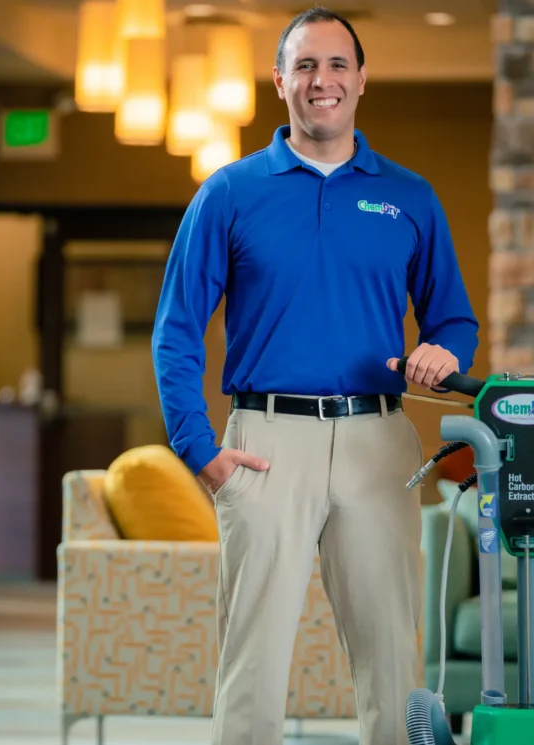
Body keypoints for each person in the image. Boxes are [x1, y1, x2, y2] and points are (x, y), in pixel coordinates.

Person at [152, 7, 479, 745]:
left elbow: (454, 320)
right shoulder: (230, 193)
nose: (321, 80)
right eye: (304, 66)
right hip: (264, 441)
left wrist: (446, 352)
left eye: (336, 65)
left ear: (362, 80)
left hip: (378, 442)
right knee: (253, 658)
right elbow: (176, 329)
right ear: (279, 82)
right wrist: (198, 447)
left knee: (394, 654)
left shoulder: (411, 197)